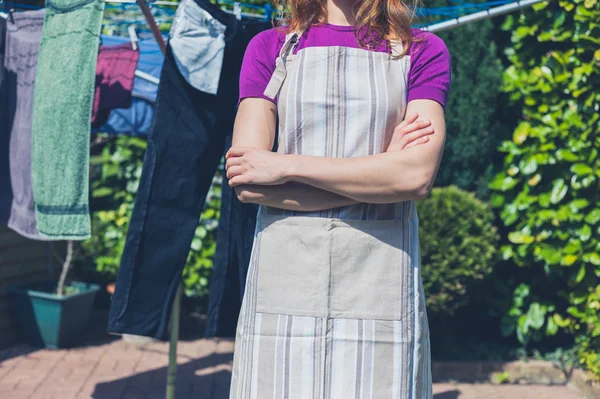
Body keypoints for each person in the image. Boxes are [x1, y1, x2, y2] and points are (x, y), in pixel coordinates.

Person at [225, 0, 451, 395]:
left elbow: (415, 176)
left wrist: (285, 167)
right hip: (286, 277)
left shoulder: (422, 51)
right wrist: (380, 170)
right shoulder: (268, 48)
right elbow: (249, 180)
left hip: (378, 276)